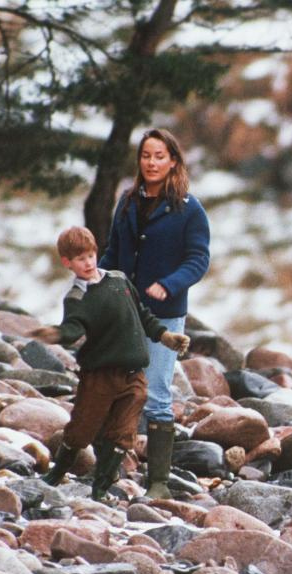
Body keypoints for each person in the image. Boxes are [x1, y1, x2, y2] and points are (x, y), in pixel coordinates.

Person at [31, 226, 190, 500]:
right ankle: (56, 473)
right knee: (81, 430)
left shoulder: (119, 280)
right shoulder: (77, 297)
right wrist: (56, 334)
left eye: (92, 255)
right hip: (100, 378)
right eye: (81, 259)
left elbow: (142, 315)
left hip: (134, 376)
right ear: (67, 263)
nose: (89, 262)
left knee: (123, 434)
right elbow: (73, 327)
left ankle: (100, 489)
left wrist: (165, 337)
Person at [99, 128, 210, 499]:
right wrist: (95, 285)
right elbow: (113, 252)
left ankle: (158, 483)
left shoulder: (189, 209)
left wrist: (170, 283)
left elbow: (198, 259)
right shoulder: (127, 202)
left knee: (158, 393)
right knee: (115, 388)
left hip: (165, 315)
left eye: (159, 156)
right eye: (146, 156)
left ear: (173, 161)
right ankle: (106, 474)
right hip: (124, 311)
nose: (152, 162)